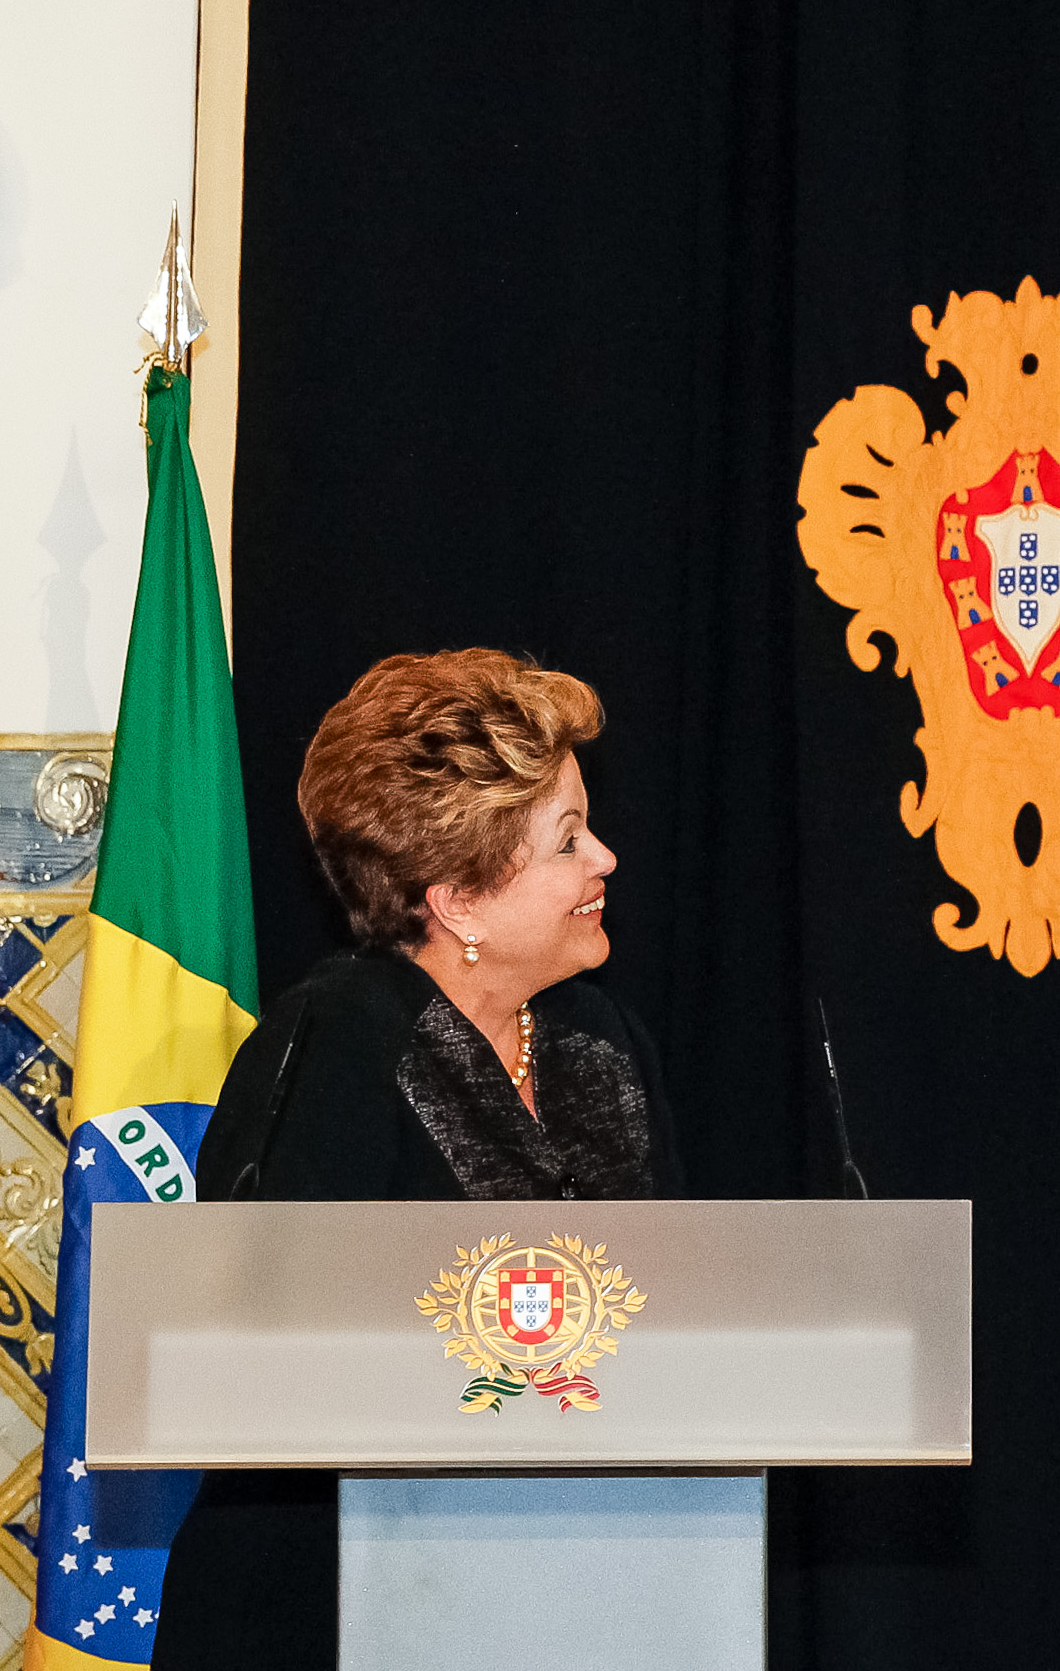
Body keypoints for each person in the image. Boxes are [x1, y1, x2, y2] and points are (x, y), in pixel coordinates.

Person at [152, 650, 673, 1671]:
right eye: (568, 839)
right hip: (334, 1596)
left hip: (571, 1579)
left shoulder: (598, 1039)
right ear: (459, 900)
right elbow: (276, 1345)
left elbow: (668, 1306)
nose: (605, 859)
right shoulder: (338, 1040)